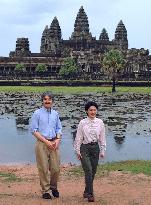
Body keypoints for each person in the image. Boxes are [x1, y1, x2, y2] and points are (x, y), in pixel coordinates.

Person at [30, 92, 62, 200]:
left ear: (52, 101)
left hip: (54, 143)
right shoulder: (37, 113)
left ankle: (53, 187)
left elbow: (59, 128)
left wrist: (58, 139)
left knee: (56, 168)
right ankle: (45, 191)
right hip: (42, 143)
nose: (47, 101)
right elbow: (34, 130)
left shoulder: (55, 114)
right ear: (42, 101)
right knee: (43, 168)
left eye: (49, 99)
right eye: (45, 99)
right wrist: (45, 141)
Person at [74, 101, 106, 202]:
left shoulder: (100, 122)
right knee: (88, 170)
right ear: (87, 111)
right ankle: (91, 194)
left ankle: (86, 191)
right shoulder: (82, 123)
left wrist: (102, 150)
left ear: (96, 111)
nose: (93, 112)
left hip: (95, 148)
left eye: (94, 110)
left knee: (93, 171)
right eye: (90, 110)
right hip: (85, 148)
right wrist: (77, 151)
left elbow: (102, 137)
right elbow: (78, 138)